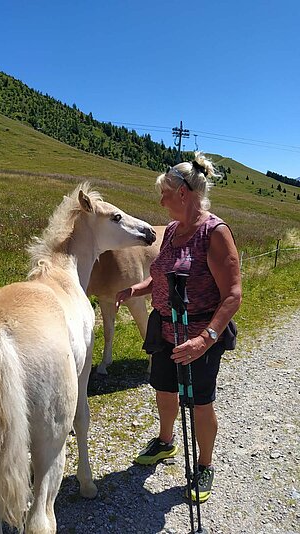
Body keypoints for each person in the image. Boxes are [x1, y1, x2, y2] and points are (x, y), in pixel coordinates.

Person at [115, 152, 242, 503]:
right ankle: (166, 441)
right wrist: (133, 290)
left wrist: (205, 339)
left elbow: (232, 296)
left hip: (199, 335)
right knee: (164, 390)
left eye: (165, 194)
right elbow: (161, 279)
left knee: (200, 402)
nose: (161, 201)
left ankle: (204, 465)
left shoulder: (214, 232)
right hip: (166, 330)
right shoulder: (170, 231)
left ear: (183, 194)